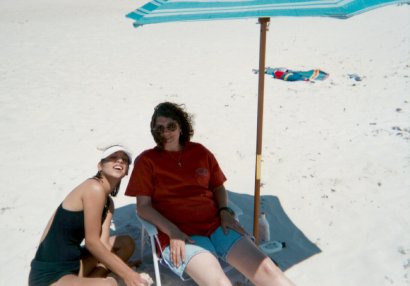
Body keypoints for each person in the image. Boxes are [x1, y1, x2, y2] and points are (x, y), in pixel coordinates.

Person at [125, 102, 295, 286]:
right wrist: (172, 231)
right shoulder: (147, 160)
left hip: (216, 225)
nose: (165, 133)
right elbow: (143, 207)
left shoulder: (199, 152)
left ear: (181, 126)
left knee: (269, 271)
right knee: (219, 283)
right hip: (180, 234)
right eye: (159, 128)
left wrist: (224, 210)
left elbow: (217, 186)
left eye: (171, 126)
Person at [29, 145, 150, 286]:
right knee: (109, 284)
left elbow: (103, 244)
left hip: (75, 263)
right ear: (100, 166)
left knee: (126, 244)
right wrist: (127, 274)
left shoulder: (108, 203)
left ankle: (97, 277)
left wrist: (122, 267)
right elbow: (92, 243)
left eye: (124, 160)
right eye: (113, 157)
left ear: (127, 171)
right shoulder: (93, 188)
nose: (120, 161)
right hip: (51, 274)